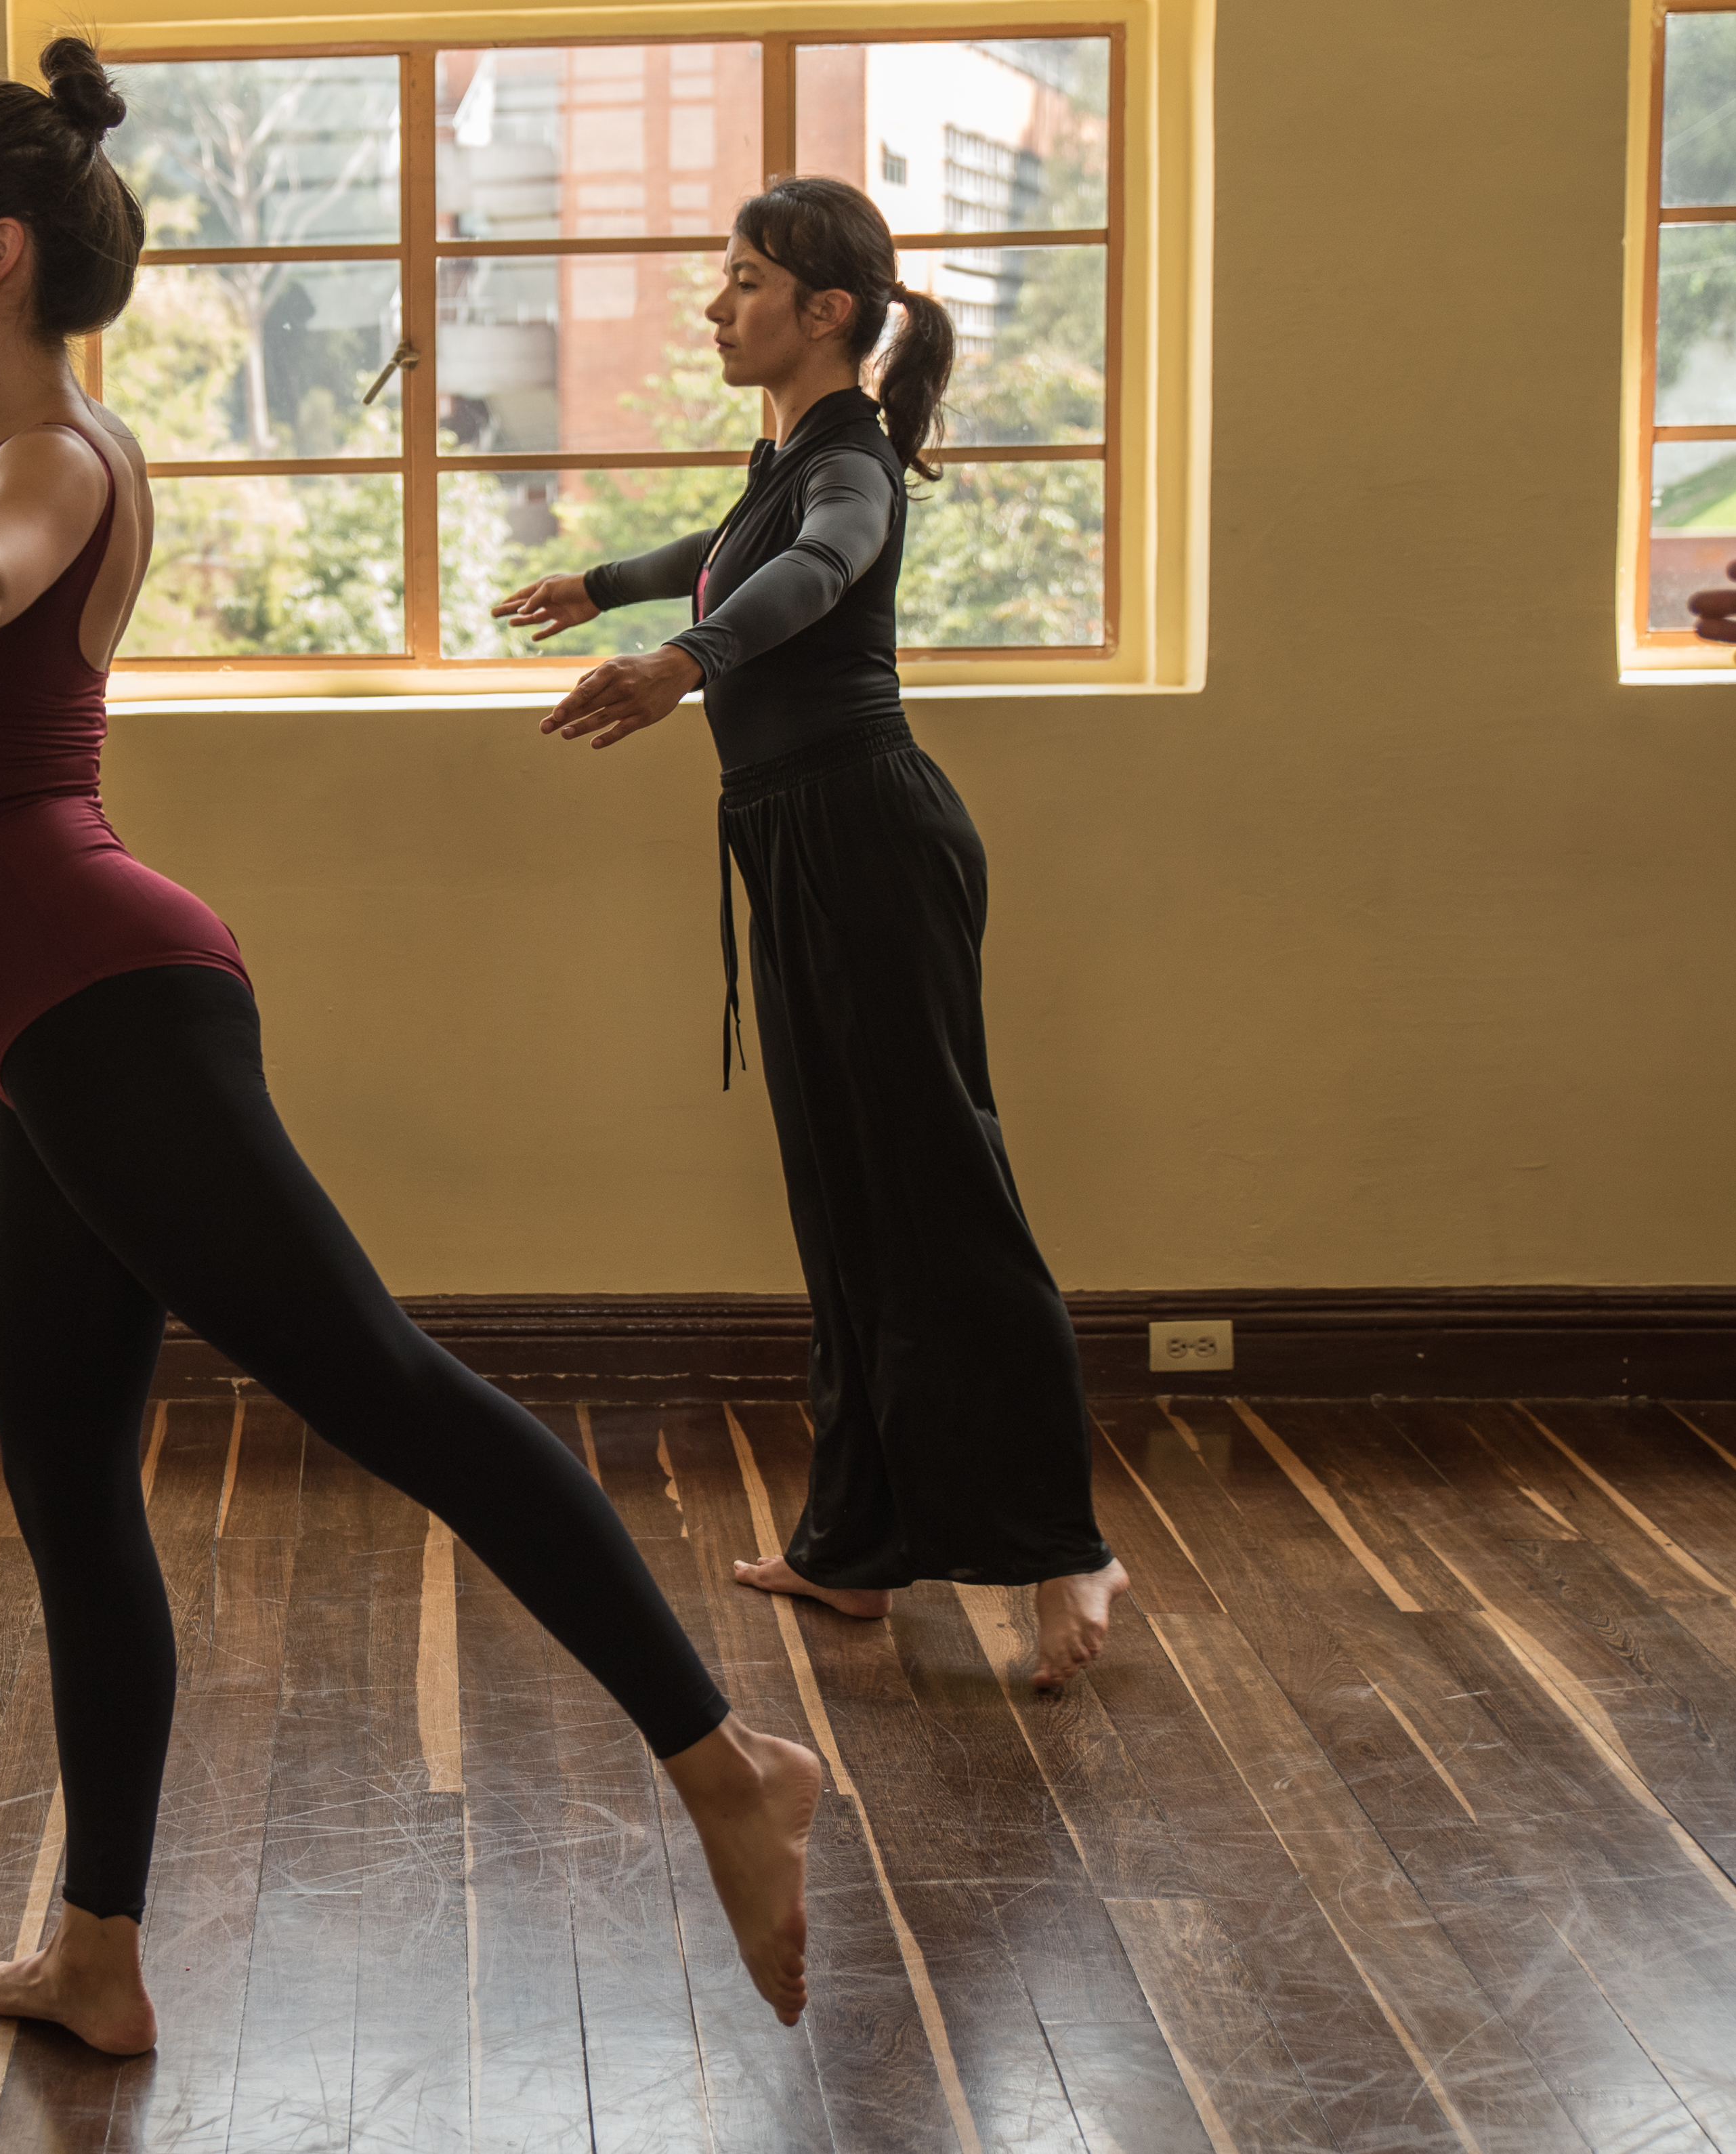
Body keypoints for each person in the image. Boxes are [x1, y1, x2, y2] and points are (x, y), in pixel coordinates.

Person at [0, 39, 824, 2055]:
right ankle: (99, 1948)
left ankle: (720, 1759)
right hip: (45, 1023)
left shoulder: (54, 459)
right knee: (69, 1477)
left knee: (379, 1384)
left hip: (100, 991)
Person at [491, 177, 1128, 1692]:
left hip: (871, 841)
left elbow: (818, 565)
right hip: (799, 843)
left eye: (744, 281)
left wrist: (682, 663)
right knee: (847, 1203)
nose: (718, 305)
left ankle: (1064, 1544)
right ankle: (858, 1546)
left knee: (941, 1198)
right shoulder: (783, 453)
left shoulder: (856, 462)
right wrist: (604, 585)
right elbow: (724, 545)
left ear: (824, 311)